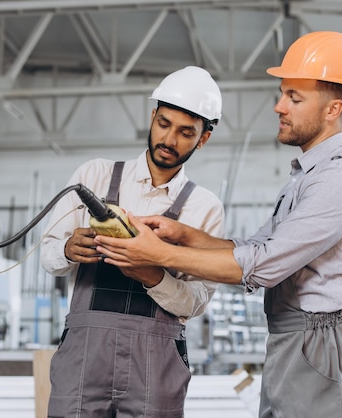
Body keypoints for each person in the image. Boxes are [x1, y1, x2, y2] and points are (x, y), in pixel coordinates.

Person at [94, 31, 342, 418]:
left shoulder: (339, 180)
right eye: (281, 93)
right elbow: (256, 247)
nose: (279, 106)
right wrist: (186, 236)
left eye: (294, 98)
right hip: (297, 339)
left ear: (332, 110)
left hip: (326, 346)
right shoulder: (308, 177)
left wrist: (159, 253)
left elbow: (263, 267)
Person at [40, 66, 225, 417]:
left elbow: (195, 302)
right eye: (164, 124)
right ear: (153, 116)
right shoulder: (93, 175)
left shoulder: (205, 208)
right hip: (84, 356)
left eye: (186, 133)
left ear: (203, 138)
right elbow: (48, 257)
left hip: (155, 363)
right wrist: (67, 250)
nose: (169, 140)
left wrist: (152, 275)